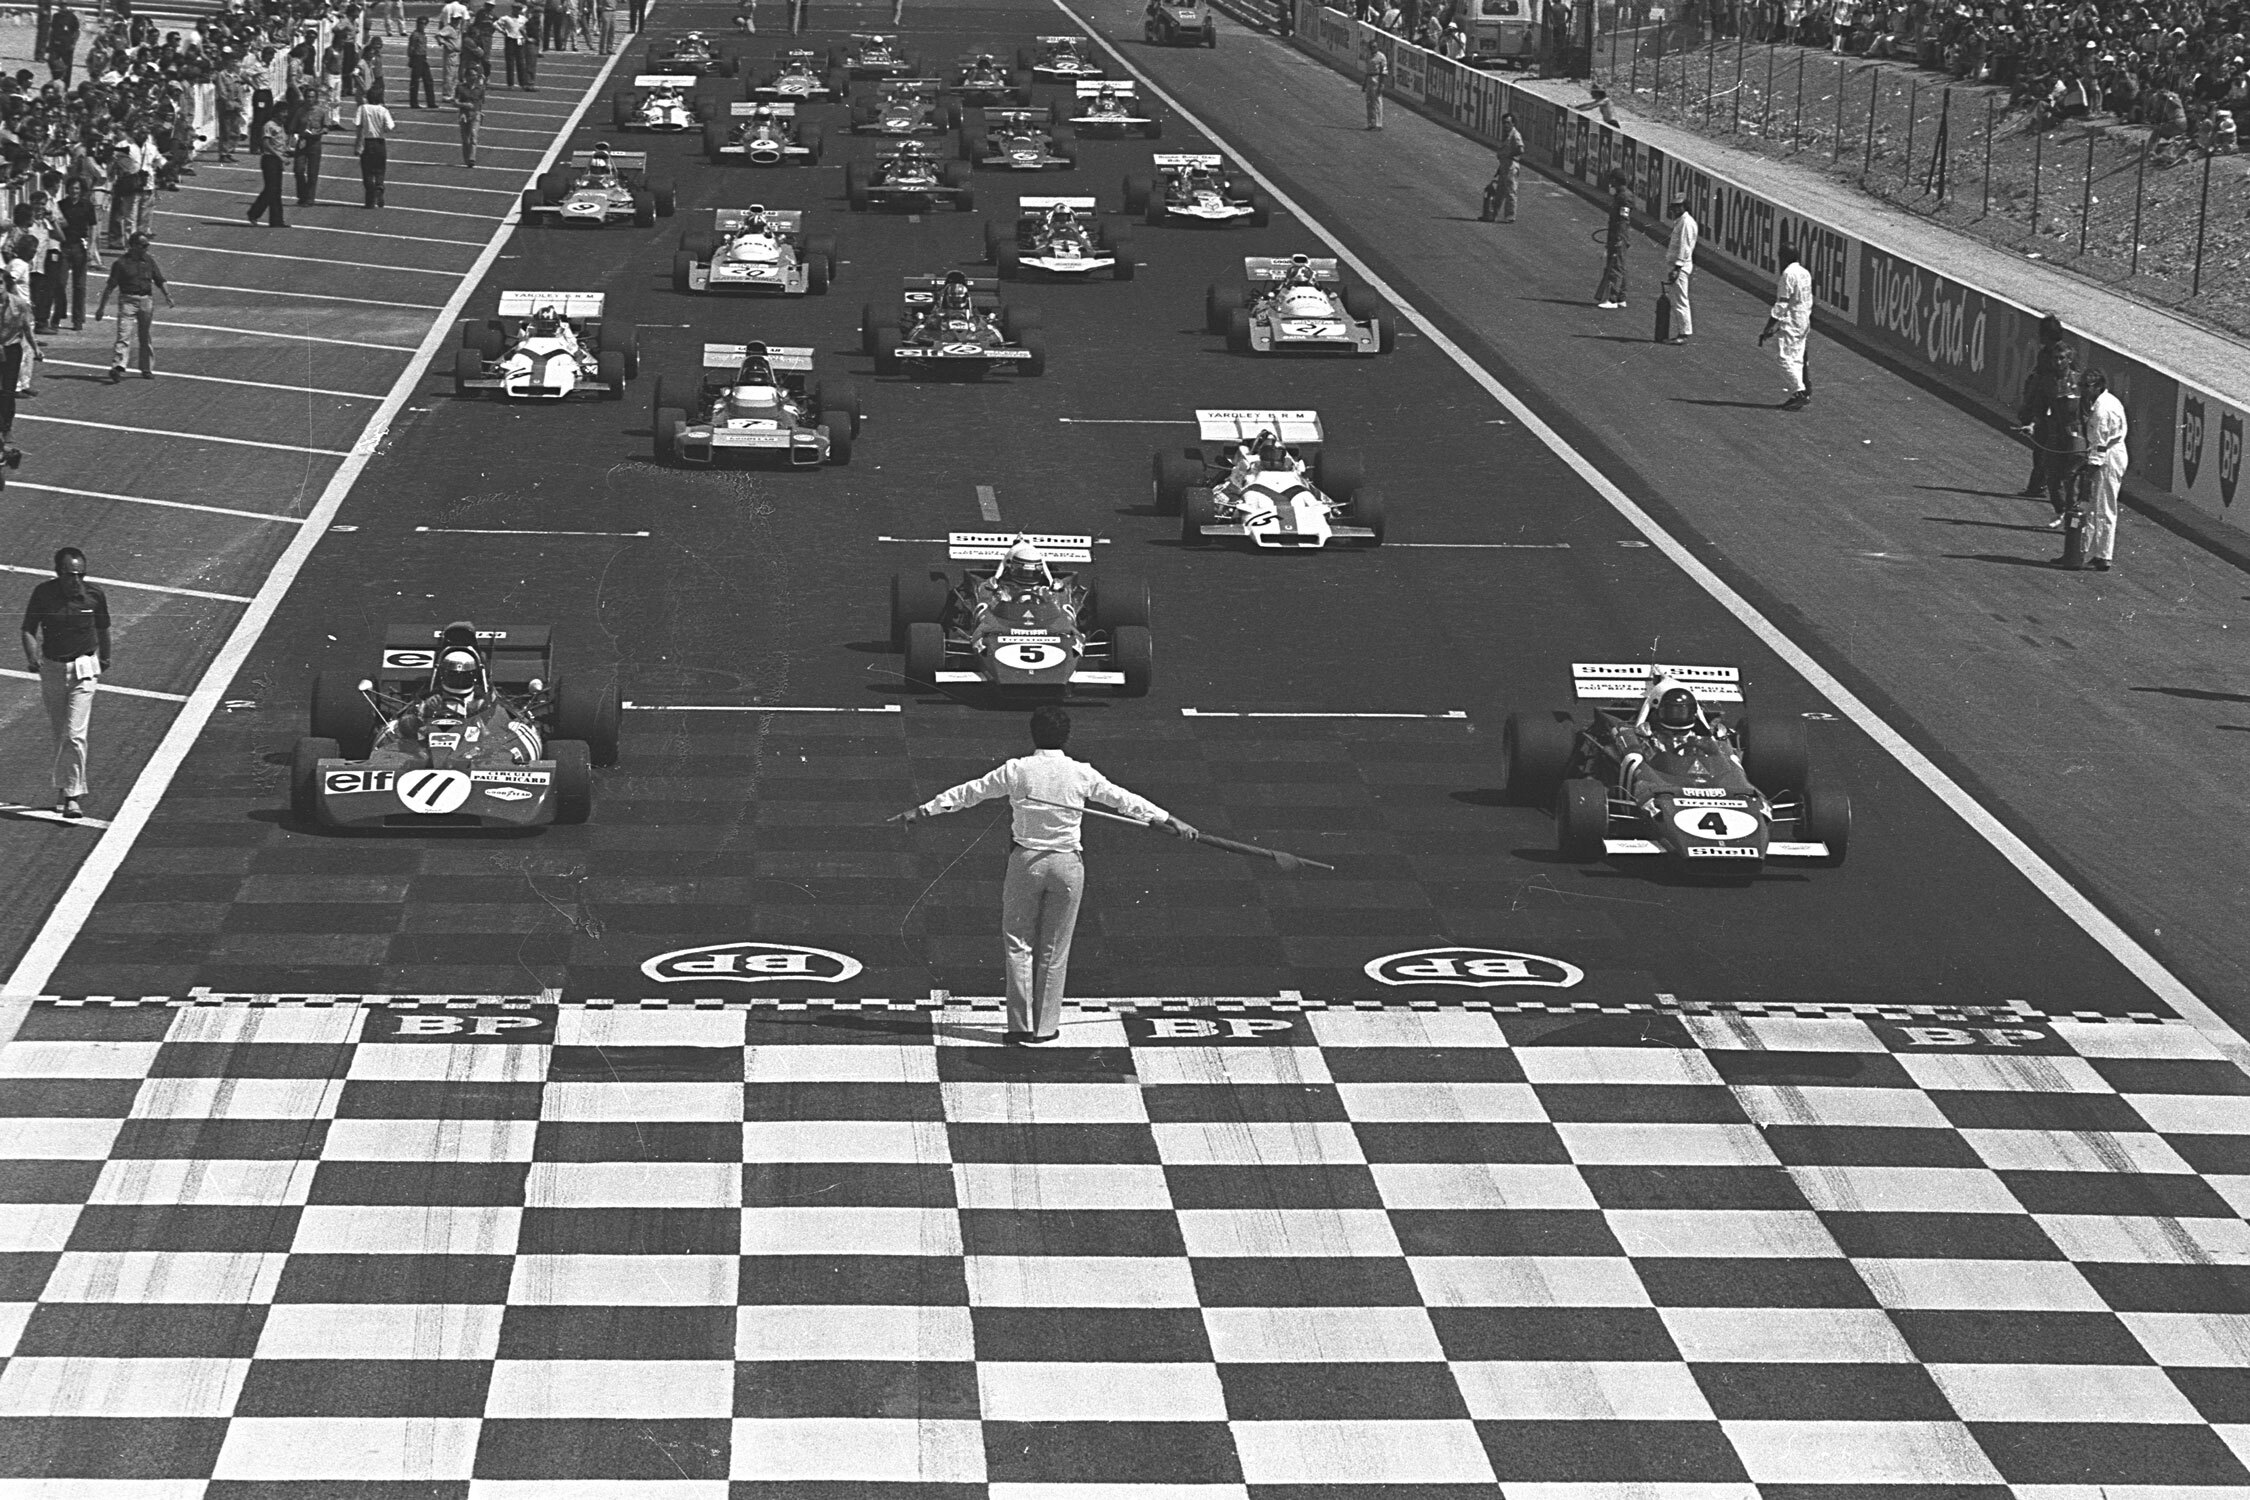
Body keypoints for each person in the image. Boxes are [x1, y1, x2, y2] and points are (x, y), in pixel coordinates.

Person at [892, 705, 1198, 1043]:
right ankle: (1044, 1029)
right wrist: (1172, 820)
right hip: (1068, 866)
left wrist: (922, 810)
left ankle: (1020, 1027)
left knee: (1017, 944)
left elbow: (969, 793)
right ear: (1065, 737)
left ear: (1033, 733)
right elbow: (1125, 801)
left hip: (1027, 863)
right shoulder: (1081, 772)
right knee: (1055, 950)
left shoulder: (1017, 770)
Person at [21, 547, 110, 820]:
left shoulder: (94, 595)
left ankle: (72, 796)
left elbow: (103, 628)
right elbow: (28, 627)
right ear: (58, 574)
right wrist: (32, 657)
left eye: (81, 574)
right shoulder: (43, 594)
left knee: (74, 734)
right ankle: (64, 786)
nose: (76, 580)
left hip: (83, 668)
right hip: (53, 668)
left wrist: (105, 658)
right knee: (61, 733)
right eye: (71, 575)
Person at [93, 233, 170, 381]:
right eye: (143, 245)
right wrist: (101, 308)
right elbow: (110, 287)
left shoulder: (149, 260)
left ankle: (146, 368)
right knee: (123, 334)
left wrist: (167, 294)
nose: (146, 248)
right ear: (133, 246)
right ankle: (118, 366)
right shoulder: (121, 264)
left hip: (146, 300)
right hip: (128, 300)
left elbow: (159, 279)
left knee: (145, 335)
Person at [1759, 237, 1814, 410]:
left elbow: (1782, 303)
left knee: (1784, 358)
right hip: (1804, 319)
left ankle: (1799, 392)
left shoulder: (1788, 275)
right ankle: (1798, 393)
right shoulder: (1805, 272)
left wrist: (1769, 326)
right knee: (1796, 359)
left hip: (1793, 321)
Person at [2080, 368, 2127, 573]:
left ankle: (2103, 556)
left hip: (2108, 456)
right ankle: (2085, 550)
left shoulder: (2102, 410)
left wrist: (2090, 470)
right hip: (2112, 451)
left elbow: (2100, 445)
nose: (2083, 390)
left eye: (2086, 386)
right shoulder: (2108, 400)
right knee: (2095, 506)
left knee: (2104, 506)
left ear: (2097, 386)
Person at [0, 266, 40, 447]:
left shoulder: (19, 304)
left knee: (8, 392)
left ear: (6, 284)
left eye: (0, 283)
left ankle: (6, 427)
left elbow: (26, 329)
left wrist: (35, 348)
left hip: (11, 349)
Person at [1656, 196, 1695, 343]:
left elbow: (1685, 248)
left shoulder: (1686, 222)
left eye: (1679, 206)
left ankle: (1683, 334)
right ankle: (1682, 332)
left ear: (1685, 206)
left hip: (1680, 267)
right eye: (1673, 206)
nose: (1675, 209)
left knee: (1680, 300)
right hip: (1677, 266)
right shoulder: (1681, 222)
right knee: (1678, 299)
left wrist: (1677, 268)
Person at [56, 180, 94, 331]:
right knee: (60, 283)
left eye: (77, 188)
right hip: (64, 246)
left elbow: (93, 226)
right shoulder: (61, 205)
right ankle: (59, 313)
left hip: (80, 246)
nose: (74, 191)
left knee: (79, 286)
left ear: (81, 190)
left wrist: (92, 247)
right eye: (72, 188)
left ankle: (78, 319)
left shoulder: (87, 205)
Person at [248, 108, 291, 225]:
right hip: (269, 160)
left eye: (286, 116)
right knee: (271, 189)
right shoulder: (269, 125)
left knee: (276, 190)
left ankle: (276, 220)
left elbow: (280, 143)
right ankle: (253, 213)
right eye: (282, 116)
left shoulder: (281, 126)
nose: (284, 118)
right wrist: (280, 157)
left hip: (277, 160)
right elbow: (266, 144)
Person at [1594, 170, 1630, 308]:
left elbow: (1623, 219)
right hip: (1618, 234)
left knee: (1615, 266)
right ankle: (1621, 297)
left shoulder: (1624, 197)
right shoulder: (1621, 196)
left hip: (1619, 235)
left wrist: (1619, 238)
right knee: (1620, 265)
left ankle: (1612, 299)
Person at [357, 81, 395, 207]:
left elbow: (359, 126)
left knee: (367, 171)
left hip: (367, 142)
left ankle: (370, 200)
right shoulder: (383, 110)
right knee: (380, 169)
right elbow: (390, 127)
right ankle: (379, 187)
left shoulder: (362, 108)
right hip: (379, 142)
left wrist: (357, 144)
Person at [1483, 112, 1525, 222]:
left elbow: (1521, 149)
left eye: (1508, 123)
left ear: (1513, 123)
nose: (1505, 125)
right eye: (1504, 123)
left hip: (1511, 166)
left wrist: (1509, 155)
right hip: (1504, 166)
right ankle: (1492, 215)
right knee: (1499, 192)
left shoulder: (1515, 135)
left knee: (1510, 191)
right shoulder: (1506, 134)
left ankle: (1510, 216)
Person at [291, 97, 327, 207]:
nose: (310, 99)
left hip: (315, 143)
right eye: (308, 97)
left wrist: (319, 132)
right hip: (302, 142)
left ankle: (310, 198)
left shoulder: (321, 111)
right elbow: (293, 127)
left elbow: (326, 127)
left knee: (312, 172)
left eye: (312, 97)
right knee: (298, 169)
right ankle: (302, 195)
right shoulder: (300, 111)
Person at [456, 60, 486, 166]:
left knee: (474, 136)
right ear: (467, 77)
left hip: (475, 115)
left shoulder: (480, 89)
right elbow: (455, 102)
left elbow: (481, 102)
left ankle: (472, 158)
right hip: (464, 115)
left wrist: (480, 113)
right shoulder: (460, 88)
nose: (474, 77)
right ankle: (467, 158)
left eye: (475, 75)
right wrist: (465, 105)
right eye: (472, 75)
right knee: (466, 140)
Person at [436, 0, 469, 97]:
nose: (457, 21)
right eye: (455, 19)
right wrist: (445, 43)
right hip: (451, 54)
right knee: (449, 75)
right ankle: (446, 94)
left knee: (455, 76)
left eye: (458, 19)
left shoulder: (458, 30)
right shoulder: (449, 28)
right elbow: (438, 35)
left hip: (457, 54)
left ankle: (452, 94)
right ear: (452, 19)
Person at [408, 18, 435, 106]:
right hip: (416, 57)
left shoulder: (423, 34)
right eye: (421, 23)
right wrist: (411, 59)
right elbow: (411, 48)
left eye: (424, 24)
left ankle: (431, 102)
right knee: (415, 81)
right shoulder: (415, 35)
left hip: (423, 58)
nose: (422, 25)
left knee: (428, 80)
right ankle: (414, 102)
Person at [1362, 38, 1389, 127]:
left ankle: (1378, 123)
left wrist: (1381, 84)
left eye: (1374, 47)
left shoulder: (1381, 57)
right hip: (1369, 79)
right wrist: (1364, 83)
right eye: (1371, 47)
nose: (1372, 48)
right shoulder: (1368, 56)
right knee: (1369, 102)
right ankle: (1371, 122)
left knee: (1377, 101)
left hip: (1377, 78)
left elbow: (1384, 72)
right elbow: (1367, 70)